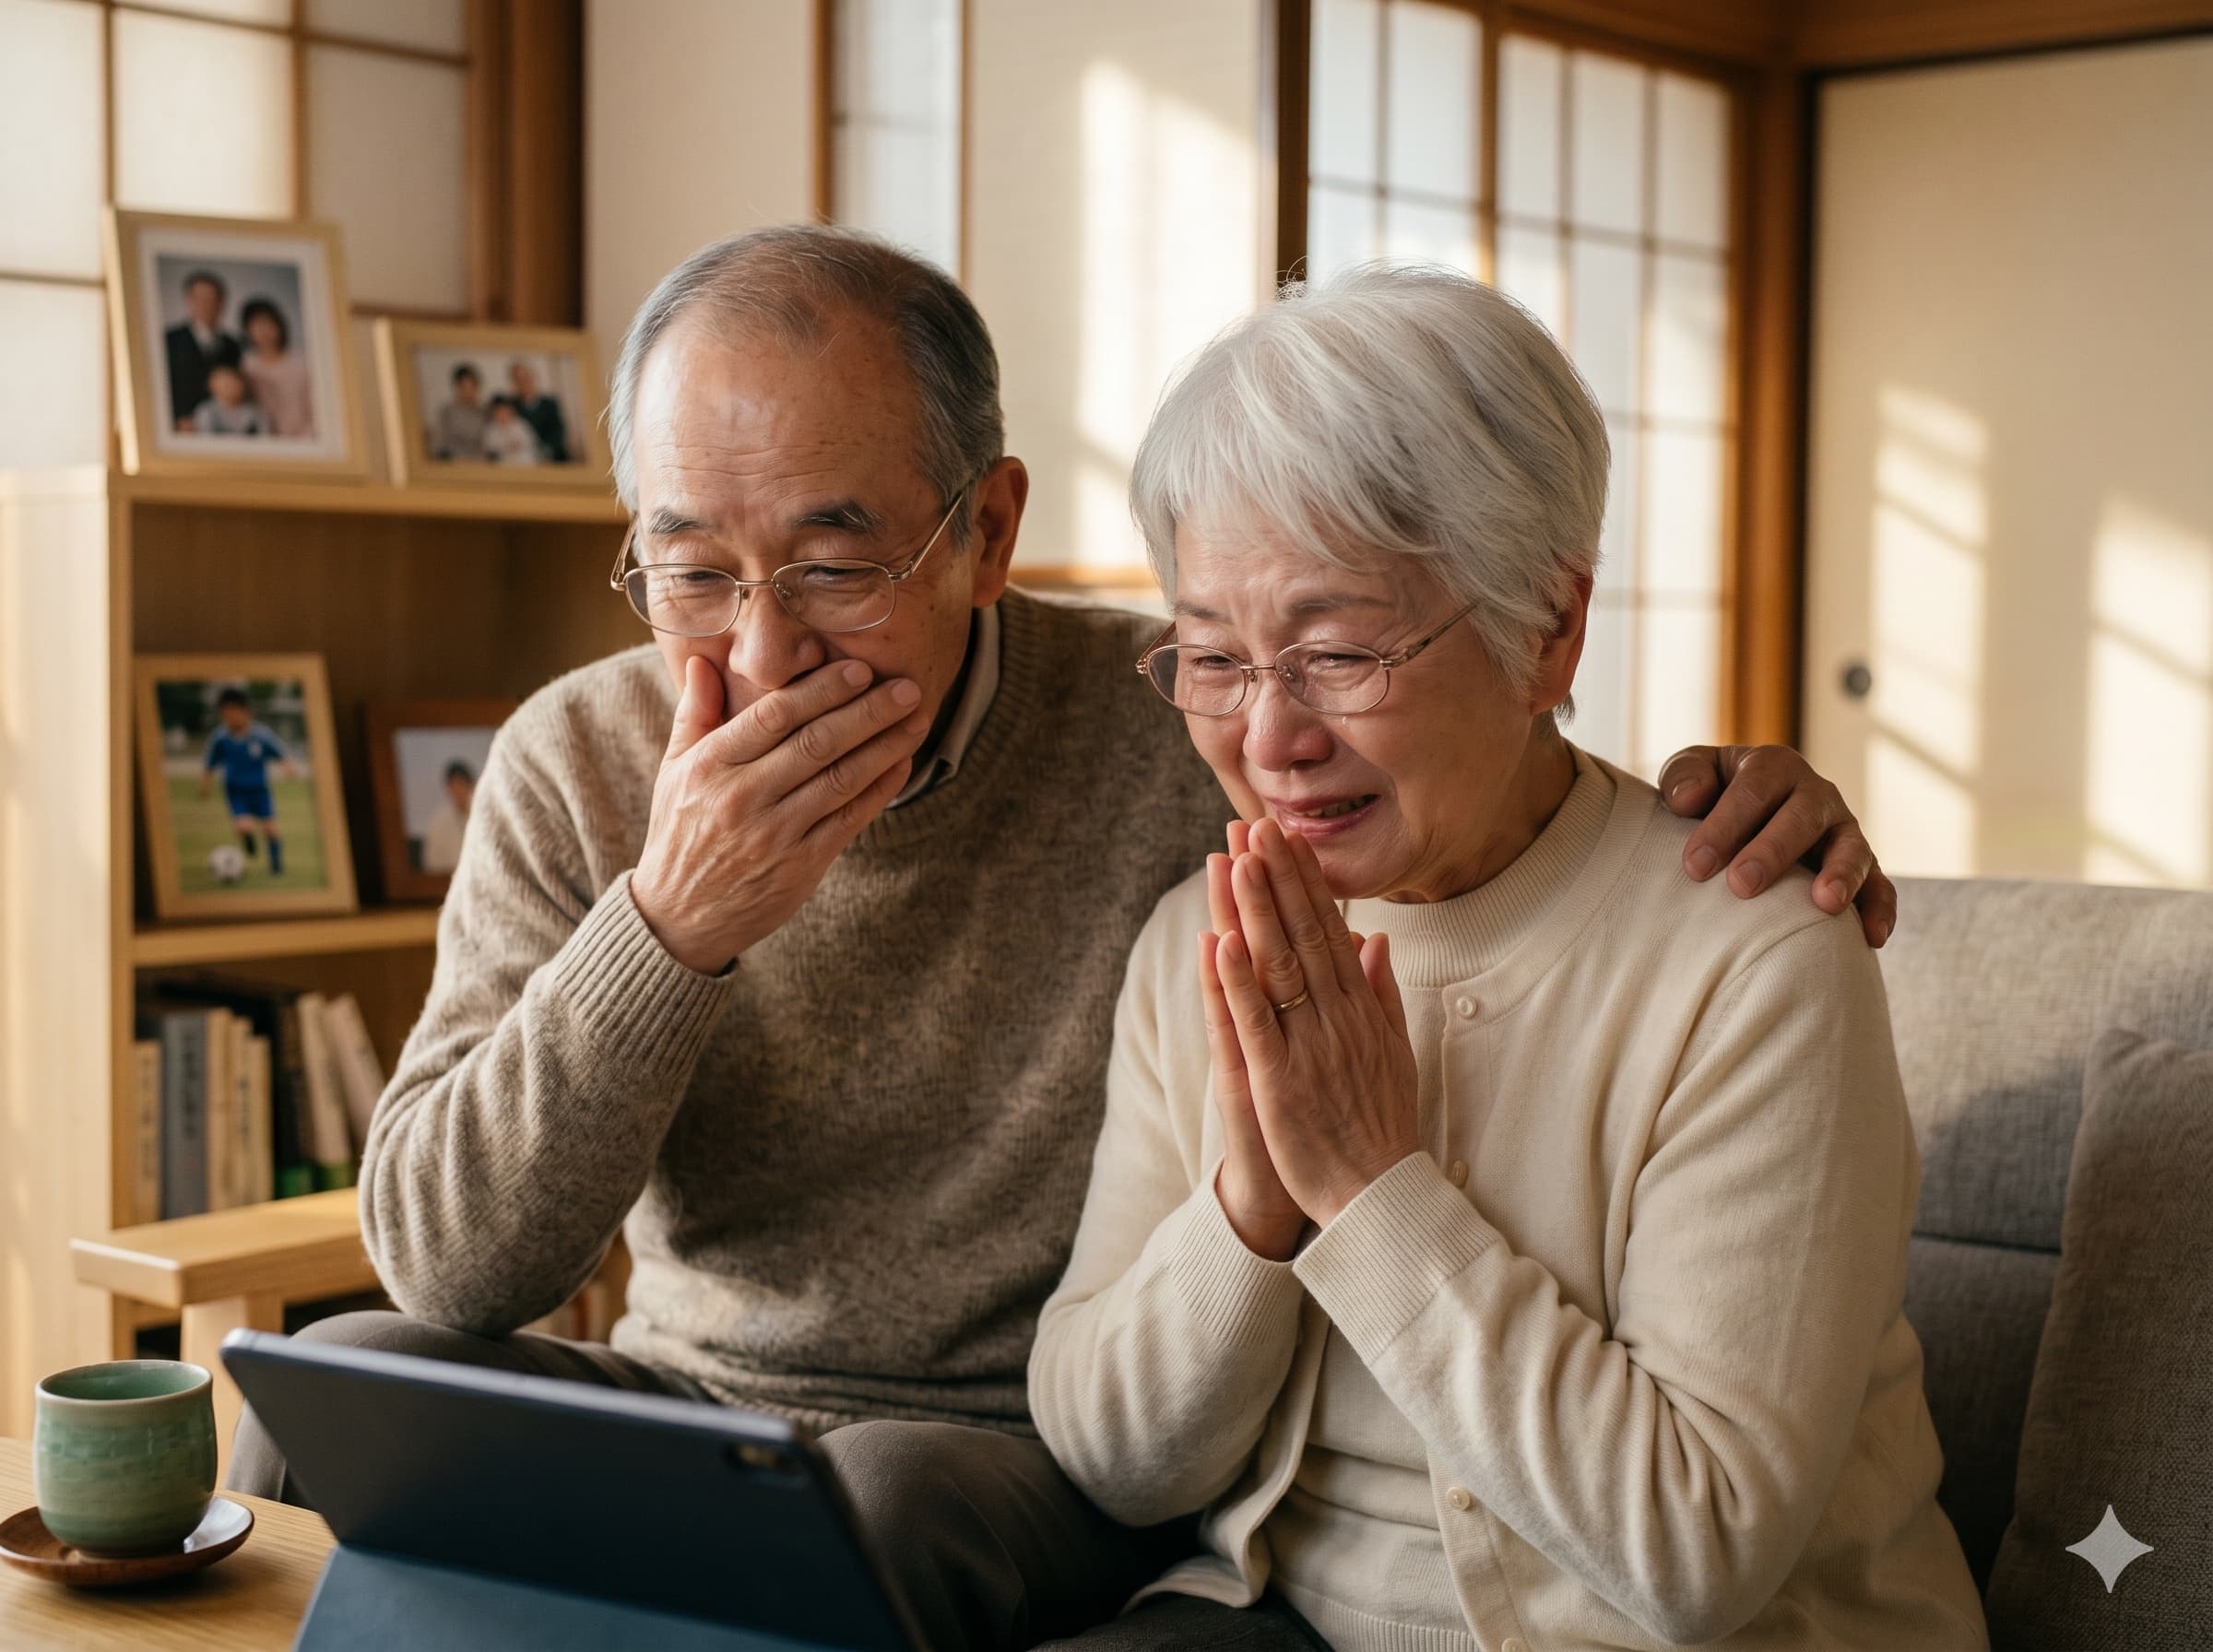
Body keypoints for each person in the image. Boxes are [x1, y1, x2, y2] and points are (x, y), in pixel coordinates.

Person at [222, 226, 1899, 1651]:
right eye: (691, 572)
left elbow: (1483, 765)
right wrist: (666, 929)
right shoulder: (583, 757)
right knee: (339, 1390)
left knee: (874, 1505)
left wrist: (1756, 801)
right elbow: (449, 1269)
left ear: (988, 530)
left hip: (1003, 1453)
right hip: (693, 1395)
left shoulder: (1173, 725)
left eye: (835, 562)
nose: (766, 651)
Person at [1027, 266, 1986, 1650]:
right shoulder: (1206, 934)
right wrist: (1251, 1204)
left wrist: (1367, 1188)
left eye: (1339, 653)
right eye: (1213, 657)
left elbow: (1693, 1554)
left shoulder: (1753, 957)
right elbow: (1114, 1461)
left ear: (1547, 627)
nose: (1270, 735)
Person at [199, 687, 297, 877]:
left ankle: (276, 867)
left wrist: (288, 767)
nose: (229, 718)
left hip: (260, 790)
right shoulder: (221, 738)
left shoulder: (261, 736)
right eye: (225, 715)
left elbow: (280, 754)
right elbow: (209, 764)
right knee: (243, 826)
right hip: (236, 791)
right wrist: (205, 785)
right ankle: (248, 840)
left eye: (233, 713)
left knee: (270, 829)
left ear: (246, 712)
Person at [165, 268, 243, 430]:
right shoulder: (169, 340)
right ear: (189, 301)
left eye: (213, 300)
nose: (207, 306)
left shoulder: (233, 345)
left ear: (222, 303)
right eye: (201, 299)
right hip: (179, 428)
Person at [240, 297, 314, 438]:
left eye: (268, 324)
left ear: (279, 325)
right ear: (248, 331)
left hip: (304, 439)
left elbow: (315, 408)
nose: (264, 331)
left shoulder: (301, 363)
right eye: (257, 325)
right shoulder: (246, 366)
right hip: (264, 443)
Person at [500, 360, 568, 462]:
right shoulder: (511, 407)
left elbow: (558, 431)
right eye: (519, 380)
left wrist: (546, 450)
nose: (524, 383)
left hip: (552, 457)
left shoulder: (550, 404)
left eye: (527, 378)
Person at [419, 759, 475, 875]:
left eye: (461, 784)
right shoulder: (438, 824)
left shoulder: (486, 818)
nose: (458, 791)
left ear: (471, 785)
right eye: (453, 785)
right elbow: (431, 864)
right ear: (448, 788)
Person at [429, 362, 489, 460]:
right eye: (465, 387)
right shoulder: (446, 411)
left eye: (473, 387)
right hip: (453, 463)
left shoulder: (485, 411)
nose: (469, 392)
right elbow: (438, 445)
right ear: (457, 387)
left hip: (480, 463)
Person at [191, 363, 263, 436]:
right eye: (225, 384)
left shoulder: (254, 412)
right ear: (212, 386)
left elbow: (265, 439)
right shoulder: (206, 411)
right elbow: (204, 440)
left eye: (233, 380)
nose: (230, 386)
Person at [479, 397, 541, 466]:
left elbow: (531, 441)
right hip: (502, 462)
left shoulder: (520, 424)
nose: (502, 415)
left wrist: (517, 444)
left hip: (523, 461)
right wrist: (506, 446)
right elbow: (488, 447)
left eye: (505, 411)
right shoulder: (491, 428)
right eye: (499, 412)